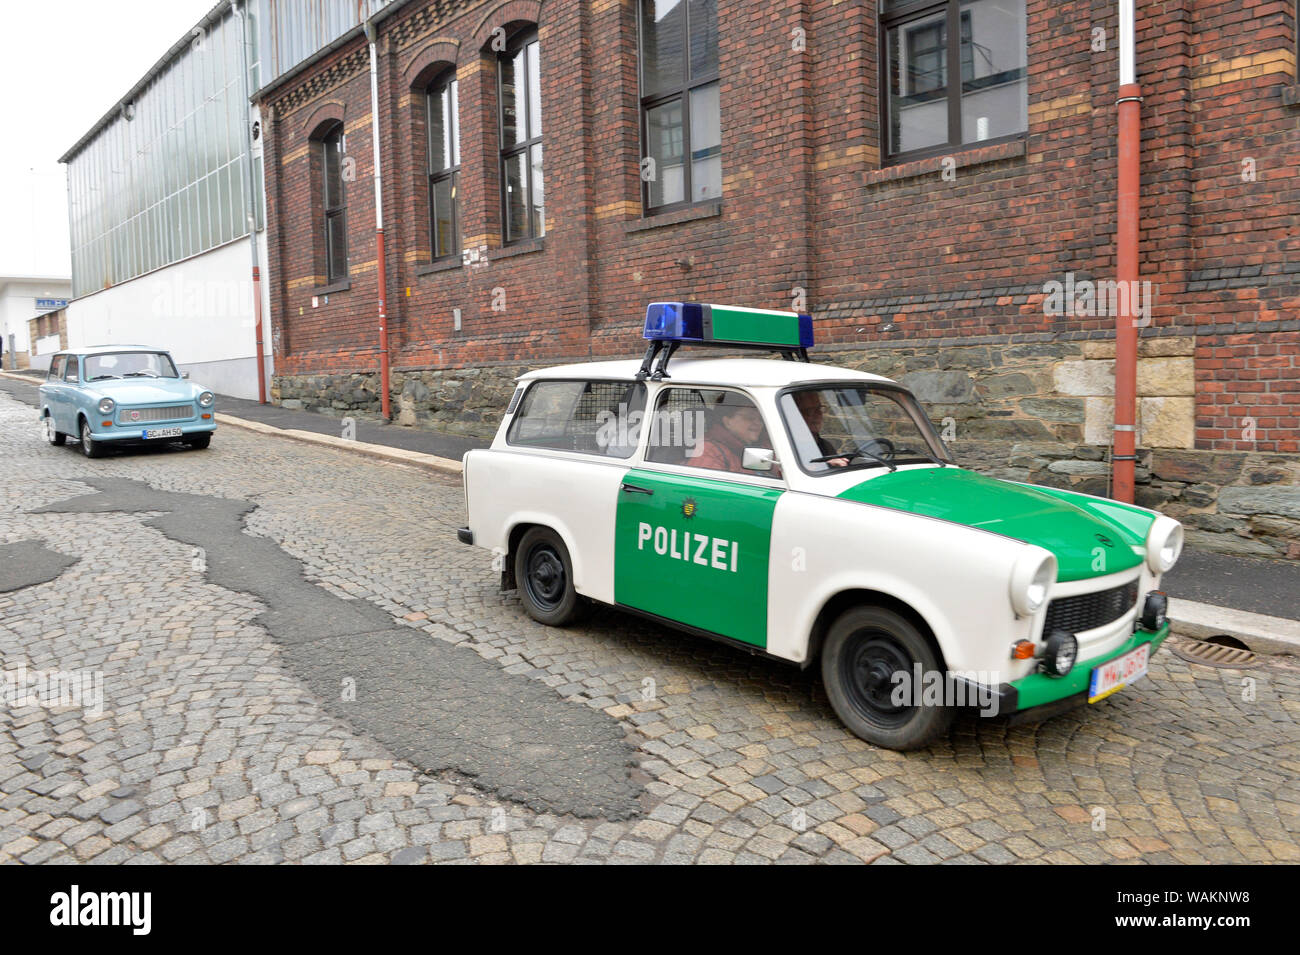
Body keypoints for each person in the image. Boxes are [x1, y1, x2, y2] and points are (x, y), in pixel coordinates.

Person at [690, 396, 768, 473]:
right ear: (727, 422)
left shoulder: (753, 446)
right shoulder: (710, 451)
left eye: (761, 419)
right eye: (750, 417)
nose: (758, 423)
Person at [793, 390, 849, 467]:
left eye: (819, 409)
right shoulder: (785, 445)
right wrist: (825, 466)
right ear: (795, 415)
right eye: (809, 411)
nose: (818, 414)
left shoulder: (825, 445)